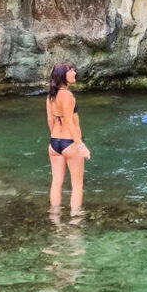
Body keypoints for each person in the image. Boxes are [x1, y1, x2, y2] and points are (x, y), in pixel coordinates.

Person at [47, 61, 90, 212]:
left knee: (56, 182)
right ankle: (74, 223)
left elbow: (50, 121)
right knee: (77, 185)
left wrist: (57, 137)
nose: (74, 73)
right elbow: (70, 122)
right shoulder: (67, 95)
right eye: (71, 71)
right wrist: (80, 145)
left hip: (54, 143)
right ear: (62, 76)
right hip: (70, 142)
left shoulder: (50, 95)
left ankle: (55, 219)